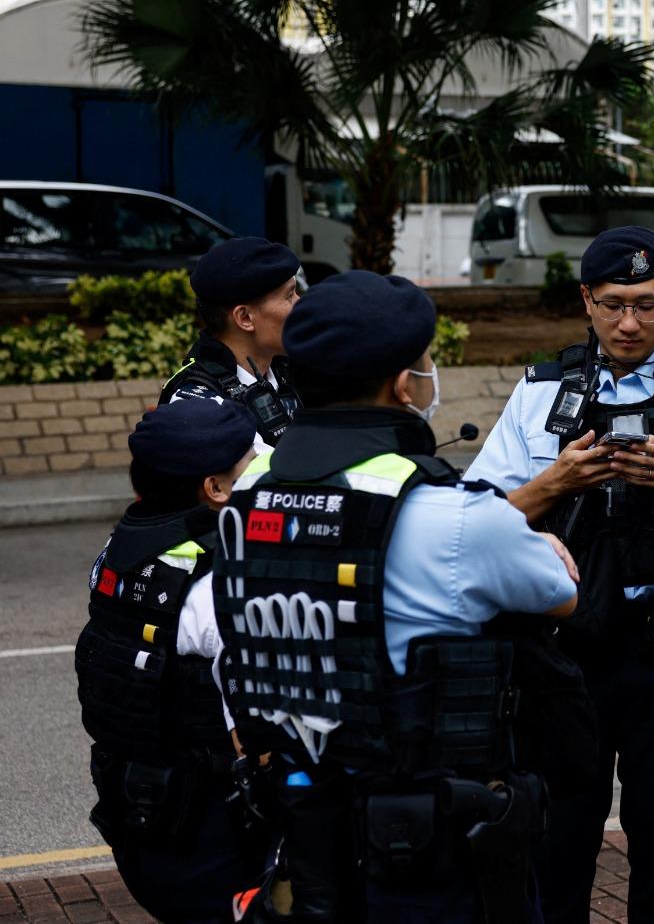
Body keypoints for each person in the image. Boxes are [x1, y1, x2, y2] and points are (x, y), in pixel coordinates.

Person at [213, 270, 580, 924]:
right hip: (429, 838)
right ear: (402, 385)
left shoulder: (249, 490)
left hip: (303, 817)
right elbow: (560, 596)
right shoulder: (454, 515)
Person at [467, 225, 654, 922]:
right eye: (611, 304)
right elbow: (479, 524)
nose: (628, 322)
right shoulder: (541, 391)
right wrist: (556, 481)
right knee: (556, 848)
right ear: (586, 300)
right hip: (565, 657)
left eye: (645, 304)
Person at [75, 395, 269, 924]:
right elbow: (252, 733)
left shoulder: (122, 548)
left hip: (138, 814)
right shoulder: (217, 583)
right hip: (211, 832)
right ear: (216, 489)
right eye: (251, 462)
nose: (262, 468)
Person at [160, 236, 304, 451]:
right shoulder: (201, 408)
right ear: (244, 318)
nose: (300, 304)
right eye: (289, 296)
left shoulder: (292, 370)